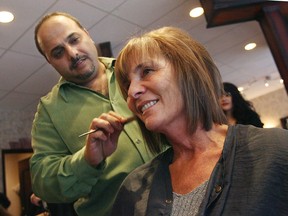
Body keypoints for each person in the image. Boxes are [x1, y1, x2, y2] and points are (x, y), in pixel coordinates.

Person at [109, 26, 288, 215]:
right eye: (127, 84)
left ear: (190, 71)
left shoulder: (276, 149)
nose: (132, 91)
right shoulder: (133, 190)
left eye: (146, 71)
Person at [29, 12, 153, 216]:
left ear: (87, 34)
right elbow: (43, 182)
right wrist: (86, 160)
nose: (72, 53)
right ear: (49, 61)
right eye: (58, 52)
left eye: (74, 40)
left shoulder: (134, 70)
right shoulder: (48, 111)